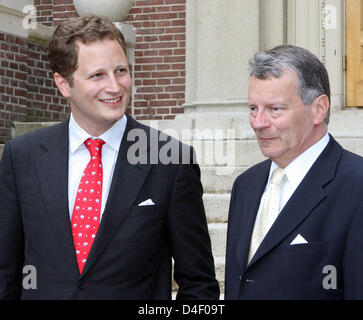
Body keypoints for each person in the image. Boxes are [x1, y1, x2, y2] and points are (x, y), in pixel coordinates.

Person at [0, 15, 219, 300]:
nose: (115, 87)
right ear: (64, 84)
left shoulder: (171, 161)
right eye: (97, 75)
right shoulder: (22, 157)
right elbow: (5, 273)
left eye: (121, 71)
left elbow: (199, 285)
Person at [225, 44, 363, 299]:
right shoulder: (246, 185)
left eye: (275, 109)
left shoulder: (356, 185)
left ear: (319, 109)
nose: (258, 123)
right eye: (253, 109)